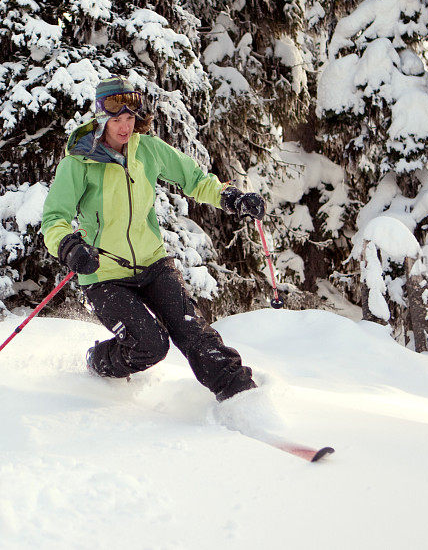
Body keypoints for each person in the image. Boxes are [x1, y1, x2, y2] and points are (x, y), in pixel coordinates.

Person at [41, 76, 266, 402]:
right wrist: (70, 247)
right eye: (117, 119)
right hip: (104, 275)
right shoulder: (78, 162)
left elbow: (196, 180)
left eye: (130, 118)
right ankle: (99, 359)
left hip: (153, 263)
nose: (124, 127)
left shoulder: (147, 150)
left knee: (192, 331)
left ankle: (239, 394)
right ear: (102, 118)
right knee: (150, 345)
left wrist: (231, 198)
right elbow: (54, 218)